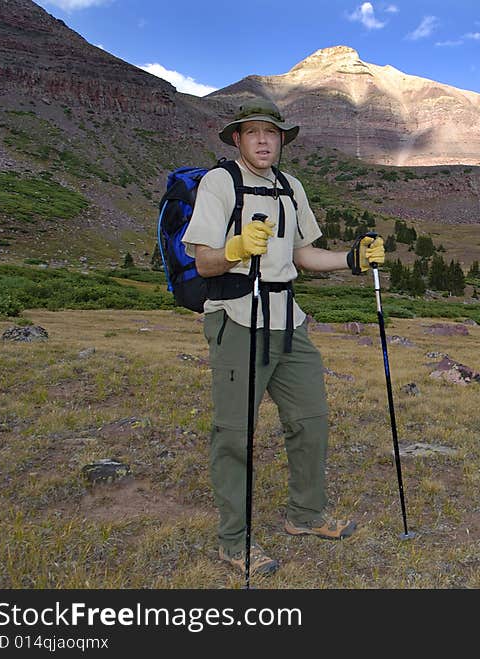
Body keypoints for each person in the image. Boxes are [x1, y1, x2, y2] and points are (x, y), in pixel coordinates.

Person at [182, 99, 385, 575]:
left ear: (281, 139)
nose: (262, 141)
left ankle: (306, 516)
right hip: (236, 318)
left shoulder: (291, 188)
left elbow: (302, 255)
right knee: (235, 435)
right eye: (252, 133)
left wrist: (352, 259)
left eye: (270, 133)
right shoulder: (220, 183)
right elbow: (203, 262)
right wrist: (234, 248)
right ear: (237, 138)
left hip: (287, 319)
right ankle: (234, 542)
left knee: (310, 420)